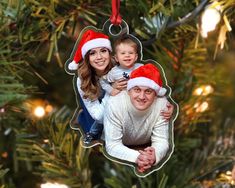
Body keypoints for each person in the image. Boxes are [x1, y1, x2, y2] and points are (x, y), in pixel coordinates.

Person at [67, 29, 173, 145]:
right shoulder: (83, 80)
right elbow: (99, 116)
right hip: (99, 113)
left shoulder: (121, 64)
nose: (99, 57)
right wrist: (112, 91)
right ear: (86, 57)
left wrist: (165, 105)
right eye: (92, 53)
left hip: (125, 110)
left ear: (110, 53)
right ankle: (82, 117)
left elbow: (148, 86)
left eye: (103, 51)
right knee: (93, 124)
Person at [104, 63, 174, 173]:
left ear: (156, 94)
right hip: (115, 158)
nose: (142, 97)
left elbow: (161, 140)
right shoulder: (115, 104)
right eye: (137, 90)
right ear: (129, 90)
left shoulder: (162, 106)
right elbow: (112, 144)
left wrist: (154, 155)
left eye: (148, 91)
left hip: (145, 146)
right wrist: (138, 157)